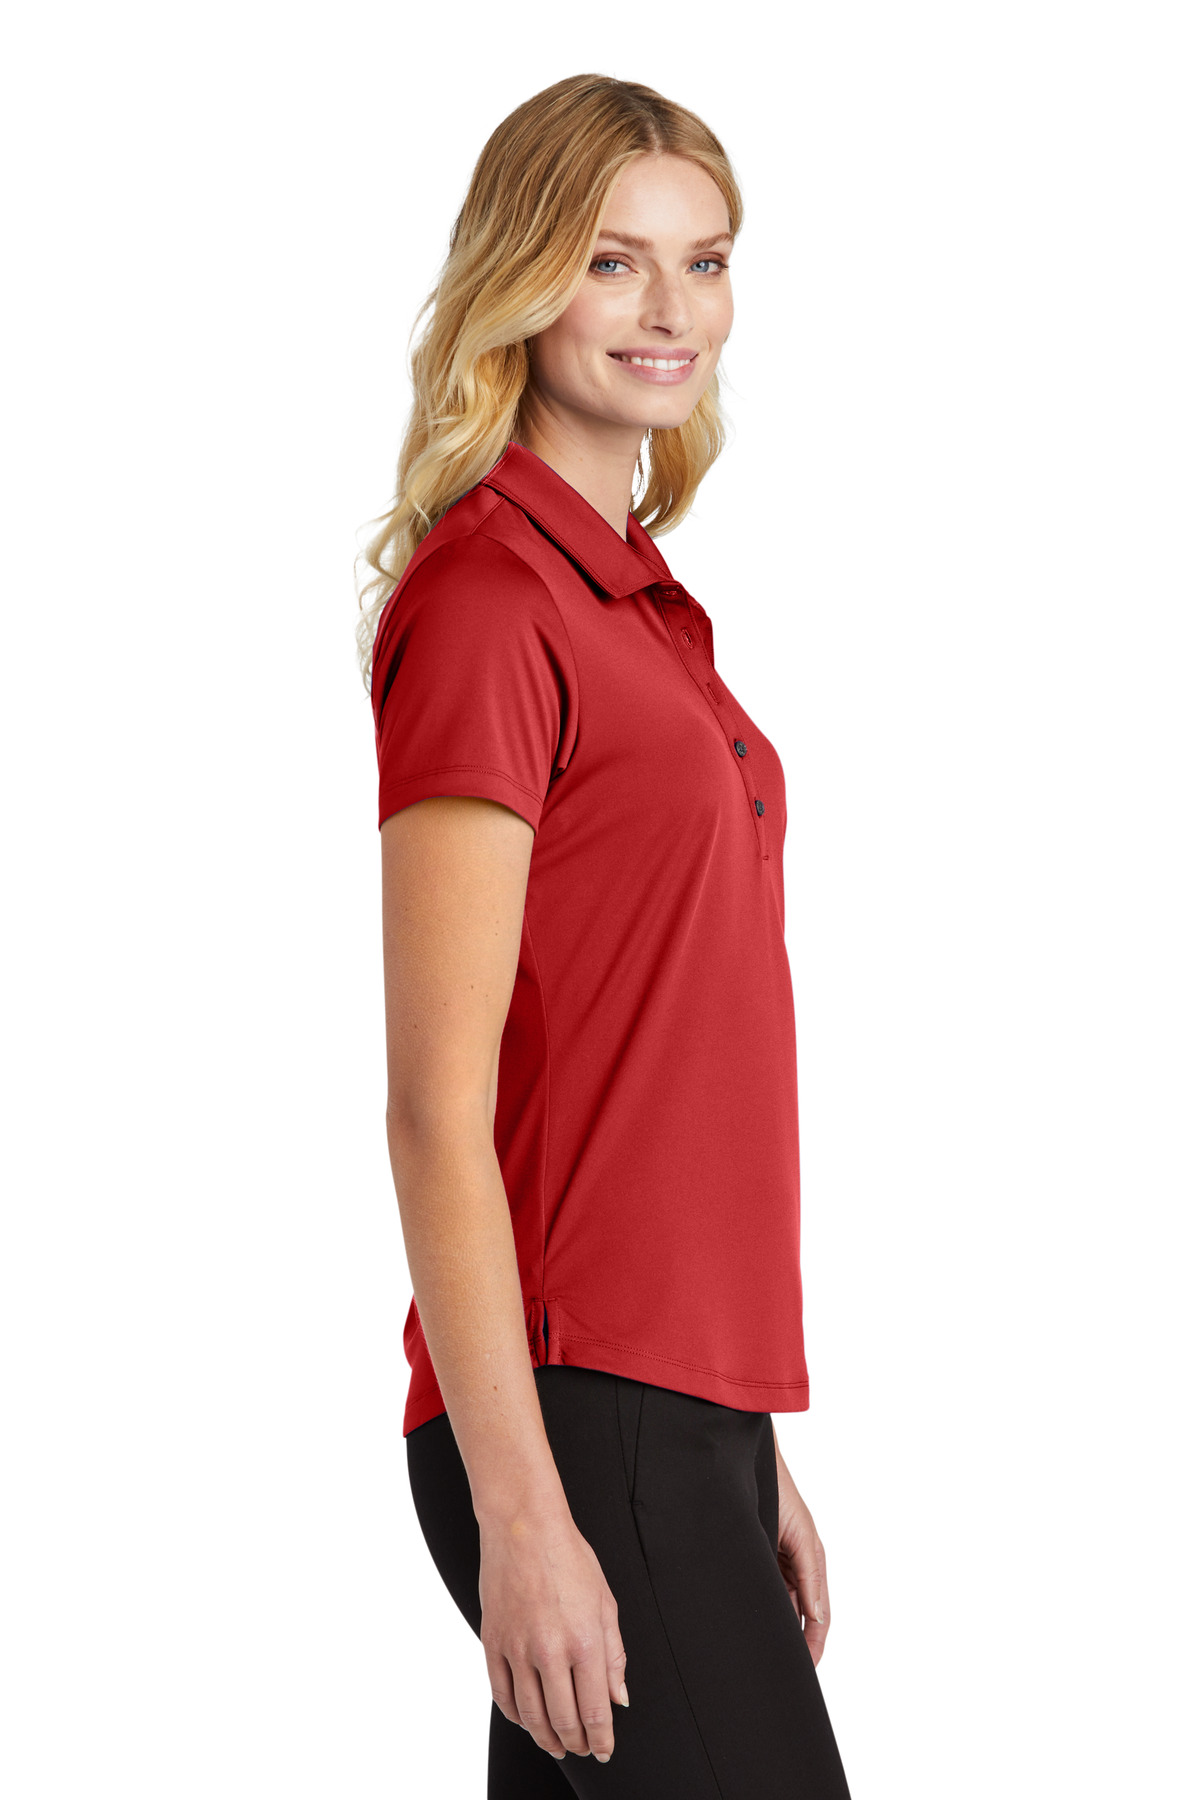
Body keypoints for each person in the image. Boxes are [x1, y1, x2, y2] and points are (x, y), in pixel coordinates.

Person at [355, 73, 854, 1799]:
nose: (671, 311)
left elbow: (649, 1066)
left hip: (666, 1414)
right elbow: (438, 1105)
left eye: (704, 263)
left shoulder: (633, 606)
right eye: (612, 260)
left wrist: (745, 1449)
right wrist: (527, 1511)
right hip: (575, 1420)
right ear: (521, 276)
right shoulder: (491, 604)